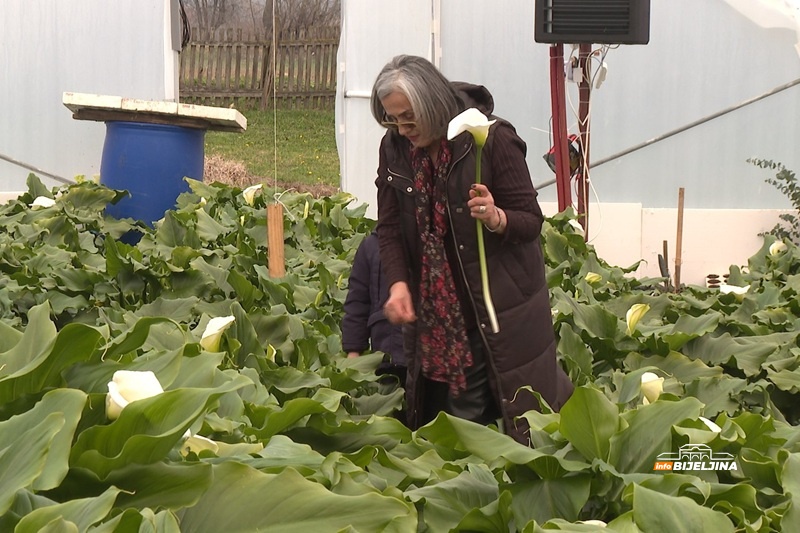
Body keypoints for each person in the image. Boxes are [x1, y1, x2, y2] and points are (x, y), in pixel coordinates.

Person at [370, 54, 573, 445]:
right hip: (434, 319)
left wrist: (497, 218)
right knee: (434, 416)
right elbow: (391, 227)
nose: (401, 127)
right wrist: (397, 283)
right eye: (392, 118)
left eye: (408, 116)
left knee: (479, 428)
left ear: (432, 102)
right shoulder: (395, 148)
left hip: (495, 311)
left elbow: (530, 220)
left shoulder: (491, 140)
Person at [341, 230, 406, 386]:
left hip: (426, 356)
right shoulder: (371, 245)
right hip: (385, 355)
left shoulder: (430, 241)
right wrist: (354, 350)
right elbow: (357, 303)